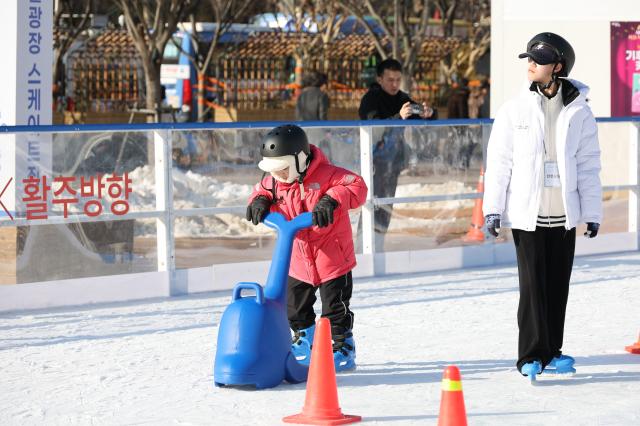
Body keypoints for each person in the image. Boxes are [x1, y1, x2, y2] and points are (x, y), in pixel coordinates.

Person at [483, 32, 602, 381]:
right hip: (527, 215)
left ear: (558, 66)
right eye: (529, 58)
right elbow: (500, 161)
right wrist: (494, 208)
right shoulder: (514, 109)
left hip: (564, 214)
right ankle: (530, 355)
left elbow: (588, 164)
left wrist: (592, 212)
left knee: (557, 285)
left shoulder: (579, 110)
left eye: (540, 58)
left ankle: (553, 350)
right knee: (533, 286)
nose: (531, 64)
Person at [246, 124, 367, 372]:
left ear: (300, 160)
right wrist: (259, 200)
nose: (277, 176)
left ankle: (342, 345)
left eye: (282, 169)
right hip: (298, 259)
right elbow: (261, 190)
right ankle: (304, 341)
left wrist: (331, 200)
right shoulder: (274, 182)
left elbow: (356, 186)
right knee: (295, 307)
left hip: (332, 257)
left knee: (335, 307)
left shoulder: (328, 175)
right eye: (273, 171)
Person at [358, 58, 437, 249]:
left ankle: (378, 244)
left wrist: (429, 113)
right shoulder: (371, 98)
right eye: (390, 80)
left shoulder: (402, 98)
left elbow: (425, 117)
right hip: (373, 160)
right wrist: (398, 117)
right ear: (379, 79)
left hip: (393, 162)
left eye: (397, 80)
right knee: (371, 204)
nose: (394, 84)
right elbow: (373, 127)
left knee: (386, 205)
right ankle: (363, 247)